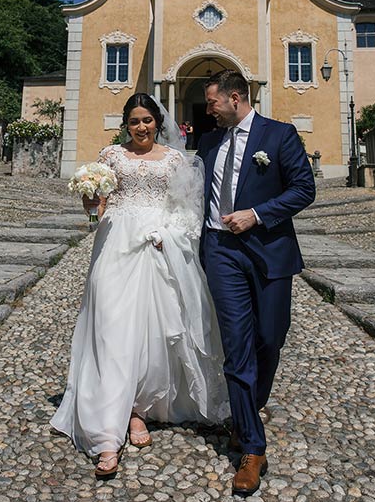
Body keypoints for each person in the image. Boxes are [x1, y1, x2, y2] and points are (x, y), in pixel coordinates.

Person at [51, 93, 228, 477]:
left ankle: (138, 409)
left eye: (147, 120)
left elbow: (188, 209)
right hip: (115, 243)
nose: (142, 127)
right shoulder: (111, 156)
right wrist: (89, 199)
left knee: (152, 328)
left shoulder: (175, 159)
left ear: (157, 122)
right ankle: (106, 432)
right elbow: (96, 205)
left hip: (158, 243)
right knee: (111, 326)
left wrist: (171, 234)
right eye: (135, 121)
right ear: (126, 124)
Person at [197, 71, 315, 496]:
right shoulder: (209, 143)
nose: (207, 109)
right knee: (237, 347)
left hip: (269, 252)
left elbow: (304, 189)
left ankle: (248, 408)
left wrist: (258, 214)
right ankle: (251, 446)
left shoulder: (280, 135)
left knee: (270, 338)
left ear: (234, 97)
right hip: (221, 252)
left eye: (212, 102)